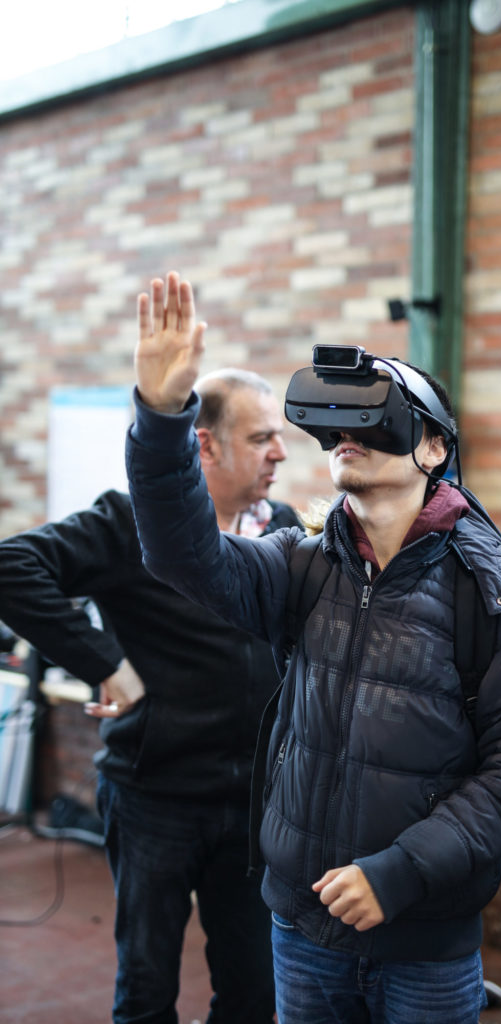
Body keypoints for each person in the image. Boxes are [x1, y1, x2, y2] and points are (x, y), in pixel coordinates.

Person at [125, 271, 501, 1024]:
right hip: (301, 928)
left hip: (424, 940)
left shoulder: (492, 592)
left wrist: (399, 873)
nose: (346, 440)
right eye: (336, 428)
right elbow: (181, 553)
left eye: (374, 424)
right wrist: (162, 416)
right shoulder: (299, 564)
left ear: (432, 447)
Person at [0, 366, 300, 1024]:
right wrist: (105, 662)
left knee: (256, 990)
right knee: (147, 987)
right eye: (261, 438)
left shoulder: (282, 527)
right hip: (154, 799)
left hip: (254, 806)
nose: (280, 451)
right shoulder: (128, 521)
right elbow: (11, 566)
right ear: (204, 445)